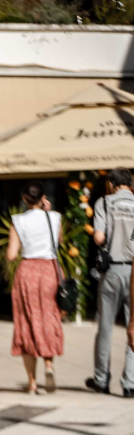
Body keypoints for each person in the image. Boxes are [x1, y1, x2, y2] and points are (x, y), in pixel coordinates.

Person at [7, 182, 64, 394]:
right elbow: (59, 243)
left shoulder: (18, 221)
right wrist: (48, 213)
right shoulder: (55, 218)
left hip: (28, 271)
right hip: (49, 270)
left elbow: (11, 255)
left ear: (24, 199)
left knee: (26, 322)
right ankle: (49, 366)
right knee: (49, 318)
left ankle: (32, 382)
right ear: (43, 198)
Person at [86, 168, 134, 397]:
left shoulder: (104, 203)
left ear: (112, 184)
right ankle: (130, 383)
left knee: (105, 327)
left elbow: (99, 237)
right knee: (133, 327)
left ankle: (101, 379)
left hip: (112, 270)